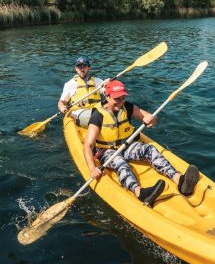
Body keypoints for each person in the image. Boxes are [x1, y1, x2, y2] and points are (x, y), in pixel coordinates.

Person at [83, 79, 200, 207]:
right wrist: (92, 168)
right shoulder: (98, 116)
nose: (120, 102)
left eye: (123, 98)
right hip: (106, 151)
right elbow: (88, 146)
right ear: (107, 96)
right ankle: (140, 193)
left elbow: (150, 119)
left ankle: (180, 181)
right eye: (117, 98)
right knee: (119, 162)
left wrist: (152, 119)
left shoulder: (127, 106)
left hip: (126, 146)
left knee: (149, 149)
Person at [58, 56, 109, 126]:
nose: (82, 69)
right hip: (79, 112)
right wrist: (62, 107)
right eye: (79, 67)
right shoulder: (70, 84)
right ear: (76, 69)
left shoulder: (97, 81)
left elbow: (108, 93)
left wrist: (109, 85)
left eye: (84, 66)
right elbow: (62, 102)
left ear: (89, 68)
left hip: (96, 110)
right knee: (97, 116)